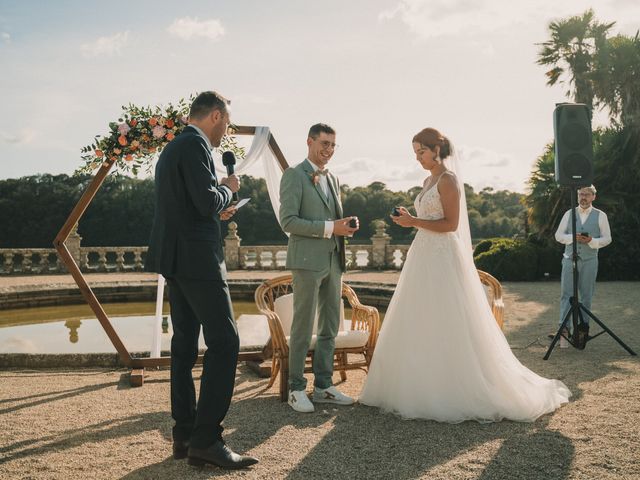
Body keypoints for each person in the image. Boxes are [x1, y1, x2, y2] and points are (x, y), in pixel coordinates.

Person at [359, 127, 571, 422]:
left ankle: (453, 388)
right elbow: (429, 218)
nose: (418, 157)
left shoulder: (448, 180)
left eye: (421, 151)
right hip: (423, 255)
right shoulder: (427, 180)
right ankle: (418, 384)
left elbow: (450, 224)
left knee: (448, 316)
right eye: (415, 152)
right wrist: (412, 217)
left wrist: (413, 221)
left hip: (443, 256)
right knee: (419, 315)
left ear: (436, 149)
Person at [145, 91, 258, 469]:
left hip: (177, 258)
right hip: (198, 260)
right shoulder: (195, 145)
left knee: (184, 346)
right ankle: (208, 439)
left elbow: (192, 205)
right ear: (214, 115)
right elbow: (206, 200)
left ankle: (184, 433)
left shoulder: (175, 147)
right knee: (226, 342)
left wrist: (216, 211)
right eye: (225, 122)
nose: (224, 129)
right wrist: (230, 189)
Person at [279, 123, 359, 413]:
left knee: (330, 325)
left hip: (333, 259)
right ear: (309, 141)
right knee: (302, 325)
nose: (329, 150)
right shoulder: (293, 175)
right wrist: (329, 227)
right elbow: (288, 221)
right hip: (306, 262)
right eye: (324, 143)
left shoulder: (333, 178)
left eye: (333, 145)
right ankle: (296, 388)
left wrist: (344, 226)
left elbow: (331, 219)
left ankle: (323, 385)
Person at [554, 185, 612, 347]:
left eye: (587, 194)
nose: (583, 197)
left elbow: (607, 239)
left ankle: (582, 331)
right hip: (568, 259)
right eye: (581, 194)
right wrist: (573, 237)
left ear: (594, 196)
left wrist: (592, 241)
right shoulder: (569, 214)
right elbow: (558, 236)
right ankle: (564, 331)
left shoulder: (601, 215)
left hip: (590, 261)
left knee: (586, 296)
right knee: (566, 295)